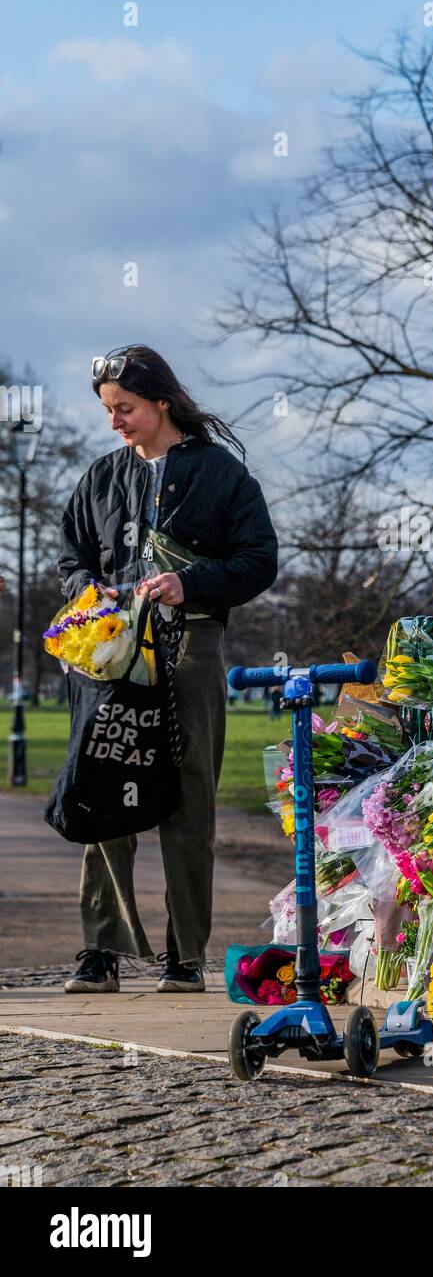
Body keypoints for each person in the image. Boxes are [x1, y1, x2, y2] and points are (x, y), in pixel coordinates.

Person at [58, 345, 278, 994]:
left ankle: (185, 956)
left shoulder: (223, 475)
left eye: (124, 408)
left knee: (188, 800)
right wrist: (89, 596)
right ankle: (100, 951)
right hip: (110, 655)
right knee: (102, 789)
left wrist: (192, 582)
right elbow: (70, 557)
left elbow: (259, 561)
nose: (115, 422)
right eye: (107, 411)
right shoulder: (100, 478)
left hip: (192, 650)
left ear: (160, 401)